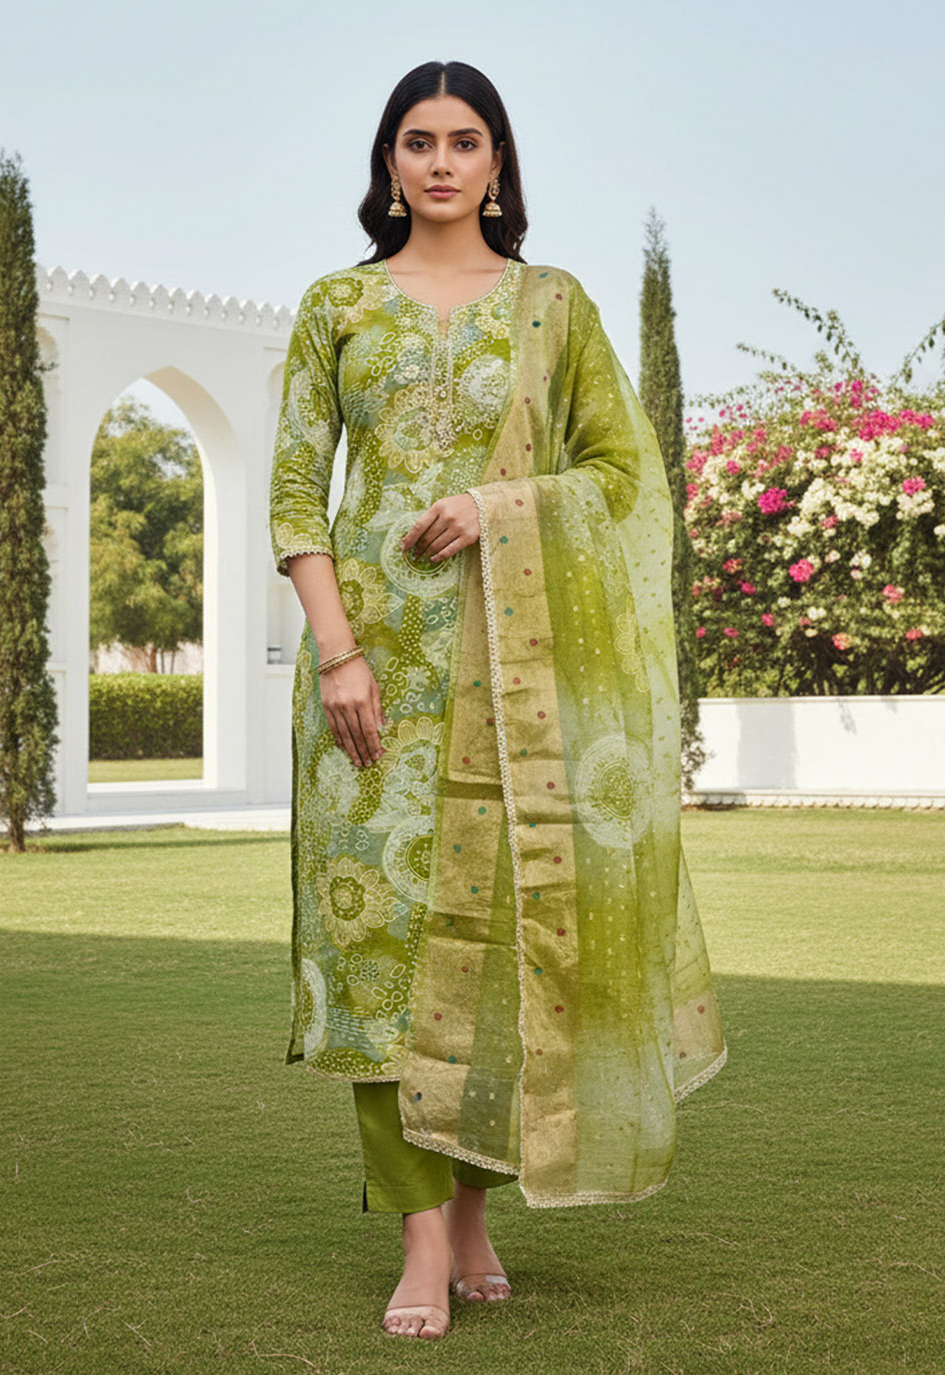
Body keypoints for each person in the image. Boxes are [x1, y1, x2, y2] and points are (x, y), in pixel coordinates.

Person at [269, 59, 727, 1341]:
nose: (440, 162)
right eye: (417, 141)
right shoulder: (336, 306)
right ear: (388, 162)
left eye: (463, 141)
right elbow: (297, 491)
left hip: (516, 679)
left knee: (498, 953)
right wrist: (339, 652)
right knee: (374, 956)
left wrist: (497, 504)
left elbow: (622, 476)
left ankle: (471, 1210)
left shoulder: (553, 306)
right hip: (367, 679)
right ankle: (422, 1241)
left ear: (497, 163)